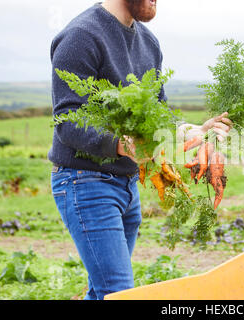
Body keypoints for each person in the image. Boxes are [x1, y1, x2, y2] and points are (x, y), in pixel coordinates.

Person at [49, 0, 232, 300]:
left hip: (126, 184)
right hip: (84, 182)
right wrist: (121, 144)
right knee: (118, 293)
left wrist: (194, 130)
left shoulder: (148, 42)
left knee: (103, 293)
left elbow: (158, 117)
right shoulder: (80, 36)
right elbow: (67, 123)